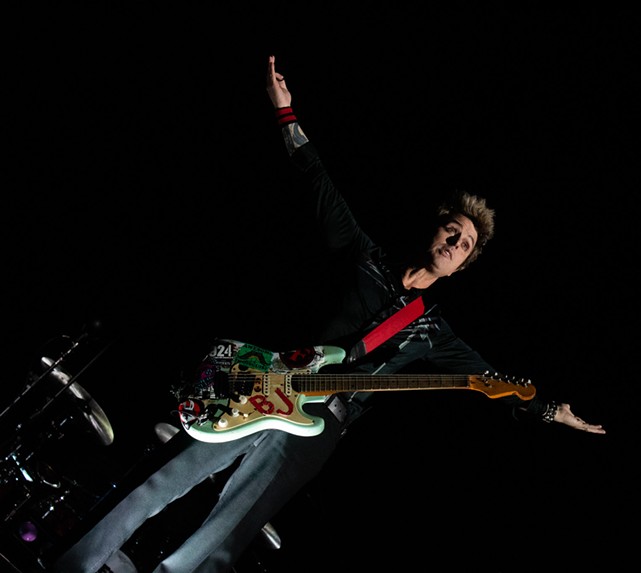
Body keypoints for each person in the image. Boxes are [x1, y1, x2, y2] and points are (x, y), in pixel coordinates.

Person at [50, 54, 605, 573]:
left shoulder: (434, 331)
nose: (456, 241)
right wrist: (282, 108)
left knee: (225, 536)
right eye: (452, 229)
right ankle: (68, 563)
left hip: (321, 424)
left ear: (462, 269)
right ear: (433, 228)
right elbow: (317, 182)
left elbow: (487, 382)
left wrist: (549, 408)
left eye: (466, 245)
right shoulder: (365, 255)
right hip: (266, 382)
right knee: (160, 478)